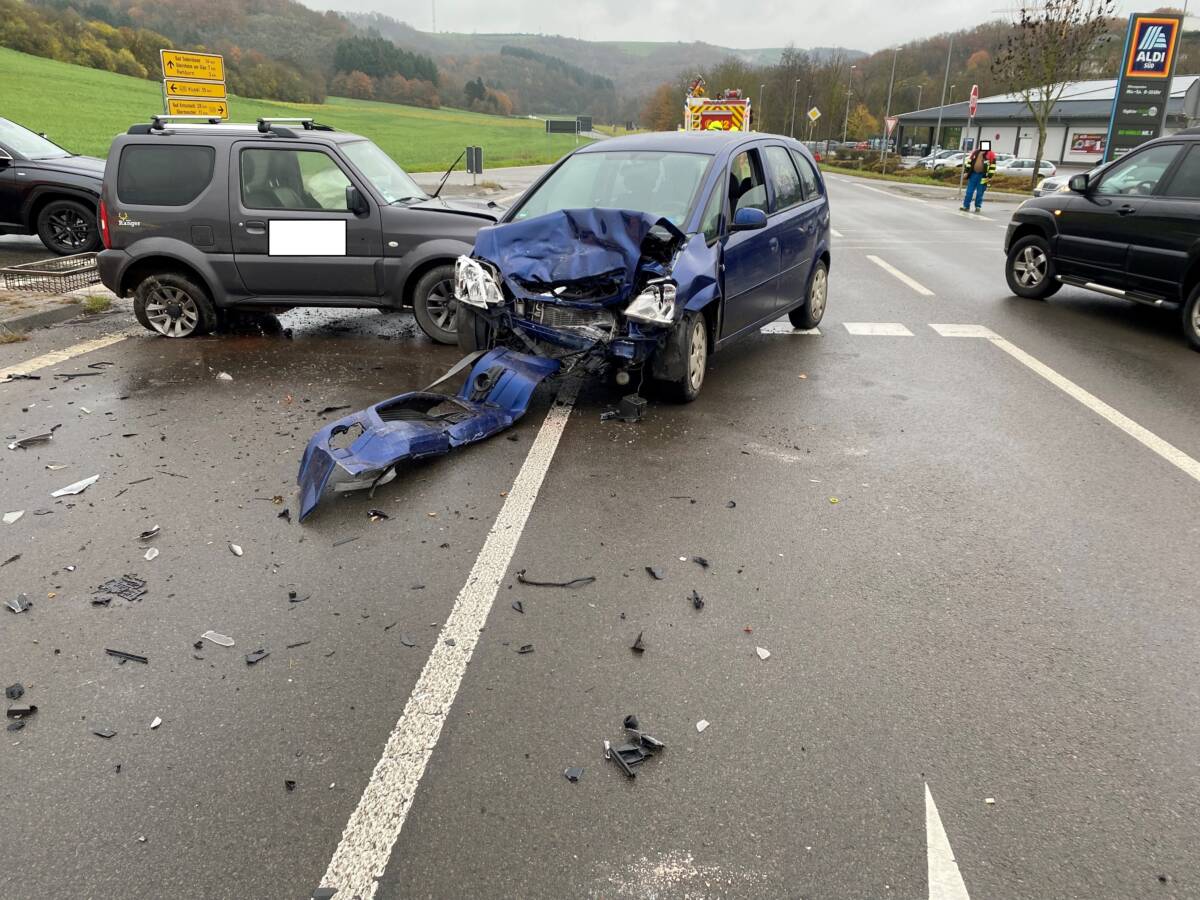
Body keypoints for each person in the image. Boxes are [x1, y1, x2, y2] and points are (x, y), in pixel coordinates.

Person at [961, 145, 997, 212]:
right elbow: (969, 162)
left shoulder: (991, 154)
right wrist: (966, 172)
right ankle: (966, 206)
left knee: (980, 193)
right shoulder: (975, 152)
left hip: (983, 176)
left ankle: (978, 206)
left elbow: (993, 166)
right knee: (969, 191)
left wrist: (989, 176)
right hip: (973, 174)